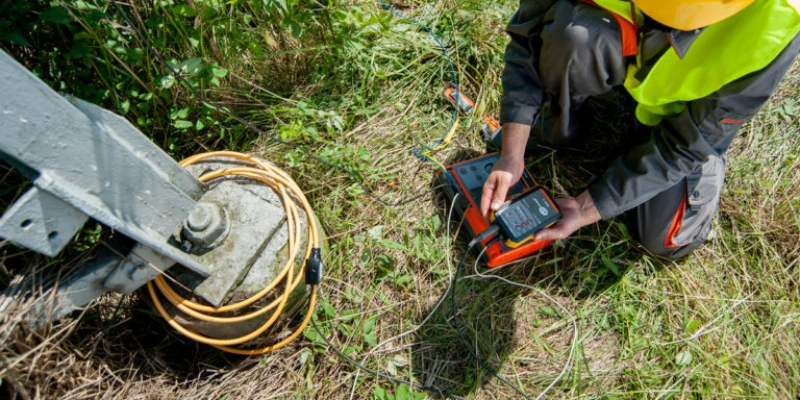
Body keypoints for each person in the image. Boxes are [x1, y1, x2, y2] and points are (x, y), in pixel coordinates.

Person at [480, 0, 800, 259]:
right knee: (572, 37)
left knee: (664, 238)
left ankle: (694, 177)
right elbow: (528, 33)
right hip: (615, 42)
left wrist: (587, 207)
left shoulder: (779, 19)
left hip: (684, 116)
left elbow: (689, 143)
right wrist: (512, 151)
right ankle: (557, 123)